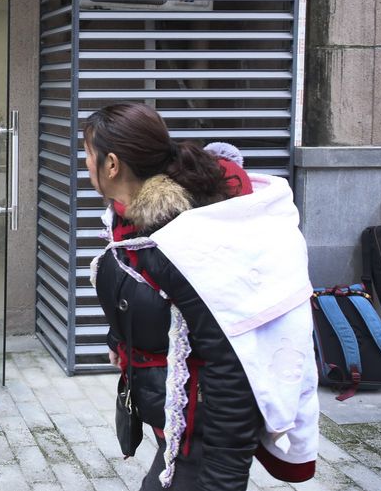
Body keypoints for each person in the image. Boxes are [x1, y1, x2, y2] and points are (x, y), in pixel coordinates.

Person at [86, 103, 318, 491]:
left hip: (204, 435)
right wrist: (118, 340)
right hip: (175, 423)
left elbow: (232, 368)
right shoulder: (131, 215)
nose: (85, 164)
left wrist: (223, 480)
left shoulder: (185, 242)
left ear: (111, 165)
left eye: (87, 154)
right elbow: (137, 291)